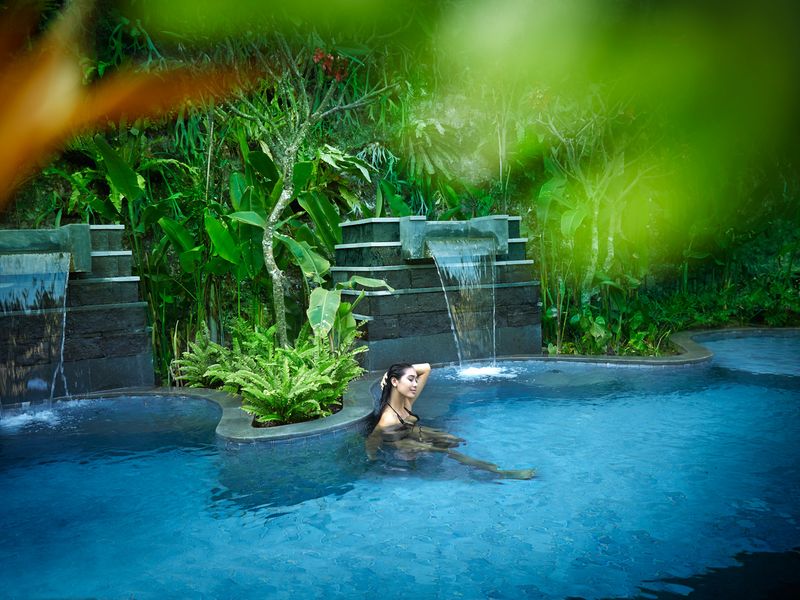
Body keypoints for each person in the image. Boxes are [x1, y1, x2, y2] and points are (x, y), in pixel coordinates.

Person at [366, 362, 535, 480]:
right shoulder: (387, 419)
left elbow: (426, 368)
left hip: (410, 431)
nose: (415, 383)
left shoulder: (406, 403)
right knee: (447, 451)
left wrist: (389, 373)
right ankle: (502, 473)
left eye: (415, 379)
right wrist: (372, 459)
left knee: (452, 440)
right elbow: (373, 440)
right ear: (395, 382)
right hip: (400, 444)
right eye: (410, 379)